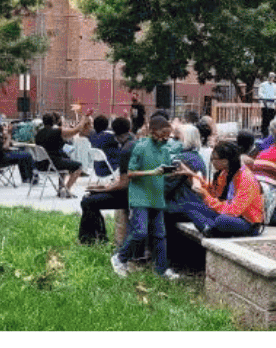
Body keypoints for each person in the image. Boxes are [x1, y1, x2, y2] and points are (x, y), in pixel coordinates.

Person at [112, 109, 183, 280]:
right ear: (153, 131)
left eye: (169, 134)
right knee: (140, 232)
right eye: (163, 134)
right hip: (140, 196)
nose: (166, 138)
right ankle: (120, 258)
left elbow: (162, 171)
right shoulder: (141, 147)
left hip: (156, 196)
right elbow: (130, 173)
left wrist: (171, 171)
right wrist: (152, 172)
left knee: (160, 235)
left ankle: (161, 269)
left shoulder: (165, 150)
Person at [173, 137, 266, 238]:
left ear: (226, 161)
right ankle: (209, 229)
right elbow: (214, 193)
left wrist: (205, 196)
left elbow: (234, 211)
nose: (212, 162)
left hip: (247, 222)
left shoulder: (246, 178)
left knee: (222, 220)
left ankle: (210, 228)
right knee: (189, 206)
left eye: (215, 159)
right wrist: (191, 176)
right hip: (227, 214)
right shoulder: (224, 173)